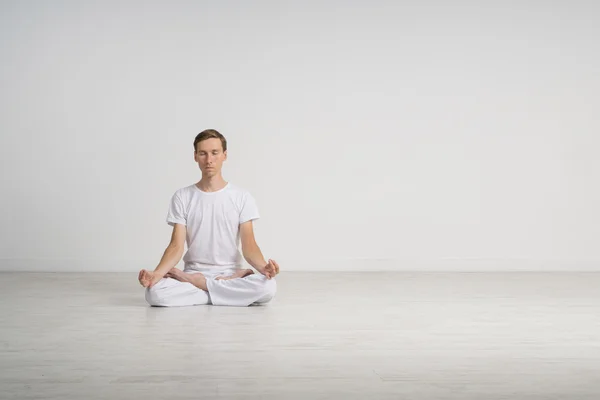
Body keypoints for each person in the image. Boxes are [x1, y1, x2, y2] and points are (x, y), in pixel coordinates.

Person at [138, 129, 280, 307]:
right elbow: (176, 246)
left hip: (227, 274)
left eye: (215, 153)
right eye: (203, 153)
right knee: (155, 294)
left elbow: (249, 246)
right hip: (195, 273)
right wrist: (157, 274)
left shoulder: (242, 197)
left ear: (224, 155)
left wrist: (262, 267)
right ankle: (221, 293)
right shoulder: (182, 196)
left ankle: (202, 287)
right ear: (195, 156)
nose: (209, 159)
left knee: (268, 288)